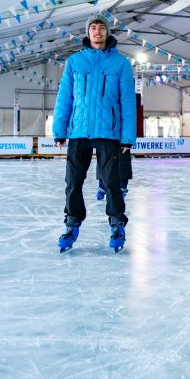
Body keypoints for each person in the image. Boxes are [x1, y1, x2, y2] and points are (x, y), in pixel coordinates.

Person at [53, 13, 136, 253]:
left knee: (112, 182)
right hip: (78, 131)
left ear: (107, 32)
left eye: (101, 28)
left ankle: (117, 223)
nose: (97, 32)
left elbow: (127, 102)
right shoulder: (74, 62)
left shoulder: (120, 64)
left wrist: (127, 137)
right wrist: (60, 129)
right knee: (73, 182)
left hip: (108, 133)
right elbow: (65, 97)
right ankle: (72, 222)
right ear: (88, 33)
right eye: (93, 28)